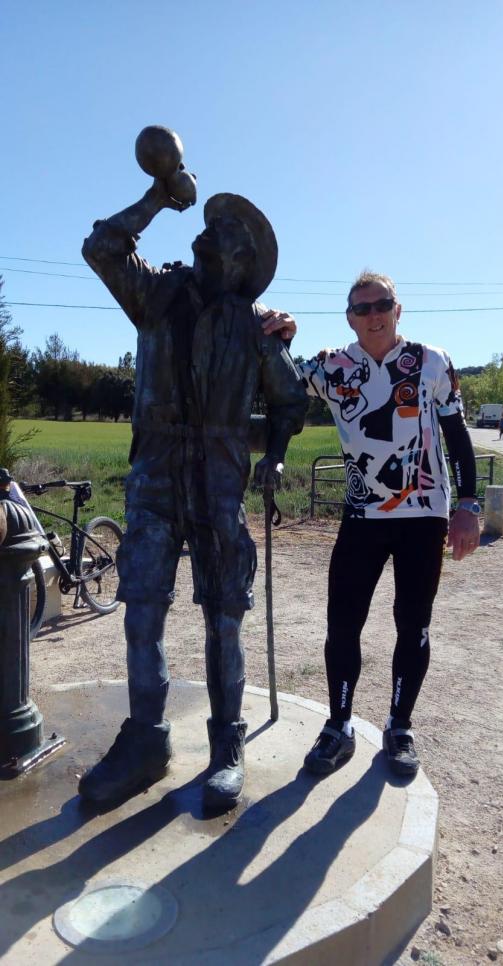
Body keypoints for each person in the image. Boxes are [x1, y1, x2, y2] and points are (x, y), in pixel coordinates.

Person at [79, 179, 307, 808]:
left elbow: (290, 403)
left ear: (242, 260)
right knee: (141, 611)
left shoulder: (255, 328)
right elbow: (102, 247)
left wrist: (277, 455)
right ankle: (145, 742)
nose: (208, 230)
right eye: (209, 222)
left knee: (223, 620)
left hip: (219, 485)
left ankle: (227, 746)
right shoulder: (157, 294)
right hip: (155, 477)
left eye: (225, 228)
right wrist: (157, 196)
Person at [262, 271, 480, 776]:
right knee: (343, 623)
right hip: (363, 516)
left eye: (383, 305)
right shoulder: (331, 366)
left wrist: (468, 506)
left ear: (398, 310)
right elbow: (279, 382)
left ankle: (399, 726)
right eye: (362, 308)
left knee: (413, 624)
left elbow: (457, 435)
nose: (374, 315)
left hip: (424, 514)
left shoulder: (432, 361)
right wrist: (284, 336)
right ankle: (338, 726)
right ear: (350, 318)